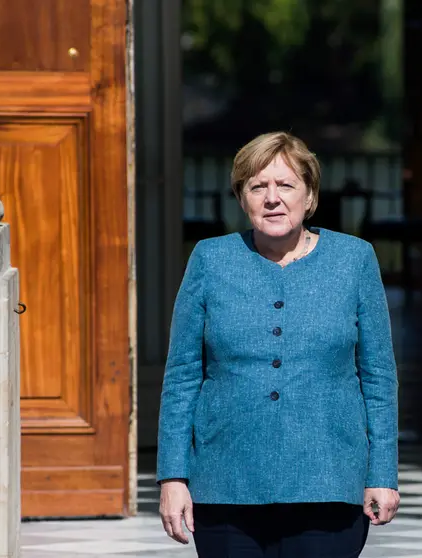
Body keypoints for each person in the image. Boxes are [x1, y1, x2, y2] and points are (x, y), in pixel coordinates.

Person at [156, 131, 400, 558]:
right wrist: (173, 478)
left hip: (329, 483)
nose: (273, 198)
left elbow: (379, 378)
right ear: (241, 197)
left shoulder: (354, 259)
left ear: (310, 197)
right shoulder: (210, 259)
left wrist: (382, 473)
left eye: (286, 185)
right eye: (258, 186)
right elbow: (181, 377)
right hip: (225, 483)